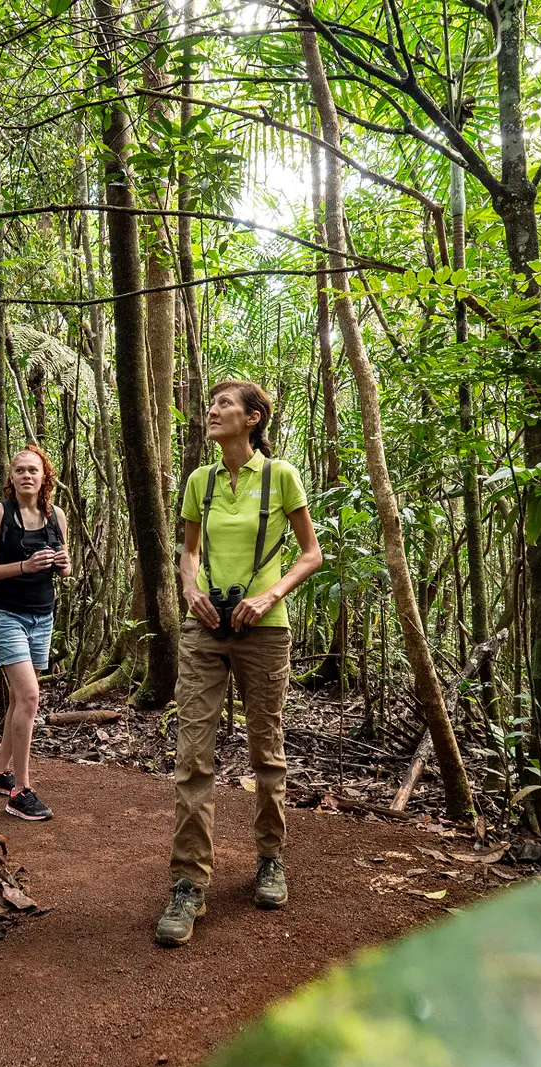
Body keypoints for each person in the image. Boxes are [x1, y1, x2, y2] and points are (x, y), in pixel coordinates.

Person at [154, 380, 323, 947]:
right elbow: (189, 550)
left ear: (253, 419)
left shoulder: (281, 476)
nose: (213, 411)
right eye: (212, 405)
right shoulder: (199, 481)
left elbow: (311, 553)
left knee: (265, 747)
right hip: (205, 629)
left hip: (264, 630)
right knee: (193, 753)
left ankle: (271, 859)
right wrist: (188, 590)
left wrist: (268, 597)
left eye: (225, 404)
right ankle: (187, 884)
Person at [0, 444, 71, 822]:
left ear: (45, 477)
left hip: (42, 615)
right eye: (20, 470)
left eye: (33, 470)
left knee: (19, 700)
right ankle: (20, 790)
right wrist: (23, 567)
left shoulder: (55, 515)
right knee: (29, 696)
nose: (27, 475)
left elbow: (65, 567)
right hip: (6, 614)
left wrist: (62, 564)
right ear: (11, 478)